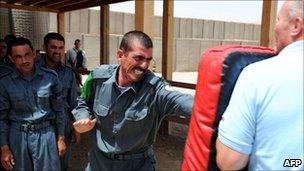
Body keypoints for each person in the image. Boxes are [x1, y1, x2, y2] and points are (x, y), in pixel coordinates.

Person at [72, 30, 194, 170]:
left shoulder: (155, 89)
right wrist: (83, 116)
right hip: (99, 162)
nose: (144, 66)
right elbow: (82, 100)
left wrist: (216, 108)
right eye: (138, 58)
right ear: (120, 55)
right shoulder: (98, 78)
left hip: (137, 164)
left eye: (148, 60)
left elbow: (182, 101)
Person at [216, 0, 303, 170]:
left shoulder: (257, 75)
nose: (275, 27)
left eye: (278, 20)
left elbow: (230, 162)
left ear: (296, 25)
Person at [0, 37, 67, 170]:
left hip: (46, 135)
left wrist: (60, 138)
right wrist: (4, 148)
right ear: (11, 59)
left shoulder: (51, 78)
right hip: (18, 136)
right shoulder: (4, 82)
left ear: (34, 54)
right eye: (18, 57)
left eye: (27, 55)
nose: (24, 60)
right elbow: (1, 117)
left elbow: (59, 110)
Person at [36, 32, 80, 171]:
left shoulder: (68, 73)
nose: (57, 51)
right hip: (40, 124)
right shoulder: (33, 69)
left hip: (64, 123)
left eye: (60, 48)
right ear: (45, 47)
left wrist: (76, 127)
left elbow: (74, 101)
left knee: (62, 163)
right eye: (53, 47)